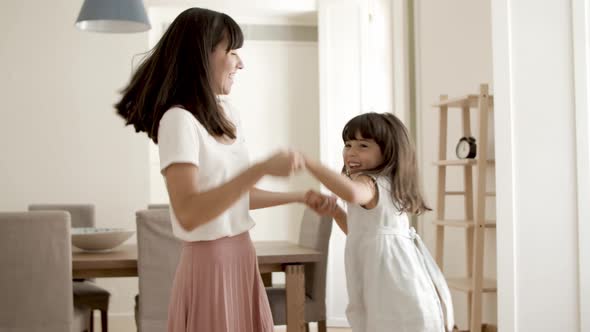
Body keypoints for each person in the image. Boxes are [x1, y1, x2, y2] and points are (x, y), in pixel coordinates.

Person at [115, 8, 307, 332]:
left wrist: (299, 196)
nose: (240, 63)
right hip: (210, 265)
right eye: (232, 52)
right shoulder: (178, 121)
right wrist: (261, 167)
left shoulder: (228, 114)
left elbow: (235, 196)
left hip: (242, 255)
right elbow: (189, 211)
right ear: (203, 55)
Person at [302, 112, 454, 332]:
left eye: (363, 146)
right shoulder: (385, 183)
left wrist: (310, 163)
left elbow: (352, 193)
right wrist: (336, 212)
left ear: (388, 152)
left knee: (387, 321)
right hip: (391, 274)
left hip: (389, 278)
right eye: (348, 144)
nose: (351, 152)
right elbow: (361, 232)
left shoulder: (370, 182)